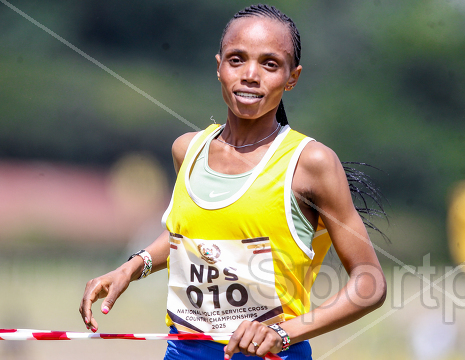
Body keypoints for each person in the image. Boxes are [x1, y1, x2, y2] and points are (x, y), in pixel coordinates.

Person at [79, 4, 386, 360]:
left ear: (293, 77)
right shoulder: (187, 150)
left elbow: (370, 283)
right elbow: (194, 237)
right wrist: (132, 267)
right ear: (219, 66)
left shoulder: (311, 163)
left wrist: (282, 332)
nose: (251, 75)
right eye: (236, 59)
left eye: (269, 64)